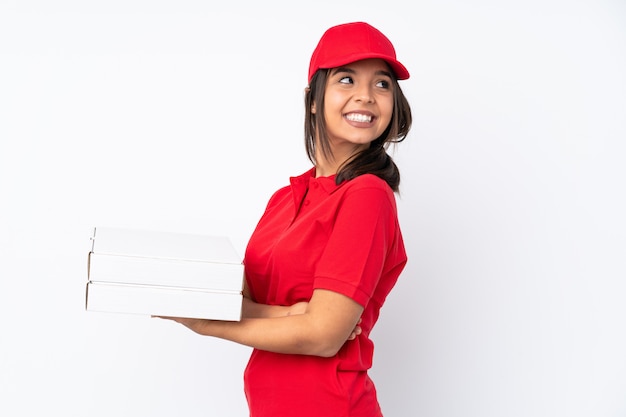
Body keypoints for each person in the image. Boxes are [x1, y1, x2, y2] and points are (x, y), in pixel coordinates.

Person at [161, 21, 412, 417]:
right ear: (313, 99)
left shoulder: (367, 195)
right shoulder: (285, 199)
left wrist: (206, 323)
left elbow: (324, 336)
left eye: (382, 85)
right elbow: (241, 299)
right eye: (347, 79)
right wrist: (295, 314)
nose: (365, 96)